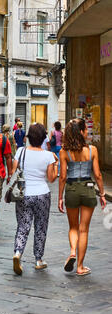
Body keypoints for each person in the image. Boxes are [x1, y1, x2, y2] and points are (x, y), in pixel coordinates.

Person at [8, 123, 58, 276]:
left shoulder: (21, 152)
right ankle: (38, 260)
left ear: (28, 138)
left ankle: (18, 253)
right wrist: (55, 164)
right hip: (42, 194)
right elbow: (51, 178)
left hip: (24, 193)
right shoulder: (48, 155)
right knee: (41, 227)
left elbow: (13, 172)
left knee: (23, 226)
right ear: (43, 138)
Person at [59, 118, 106, 276]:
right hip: (88, 189)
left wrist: (60, 197)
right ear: (80, 132)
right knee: (83, 230)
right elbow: (98, 175)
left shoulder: (64, 151)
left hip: (72, 189)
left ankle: (72, 251)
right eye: (86, 129)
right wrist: (103, 194)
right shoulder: (92, 150)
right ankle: (80, 267)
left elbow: (63, 177)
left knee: (73, 227)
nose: (87, 132)